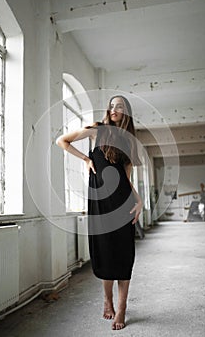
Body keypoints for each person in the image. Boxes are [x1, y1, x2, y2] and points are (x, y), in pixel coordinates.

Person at [56, 95, 142, 330]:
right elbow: (62, 141)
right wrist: (85, 158)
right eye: (112, 105)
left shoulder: (130, 140)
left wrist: (139, 199)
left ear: (127, 112)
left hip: (123, 201)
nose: (114, 109)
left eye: (120, 106)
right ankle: (107, 299)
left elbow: (127, 177)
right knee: (105, 251)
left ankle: (122, 308)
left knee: (124, 254)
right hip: (100, 201)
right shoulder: (97, 129)